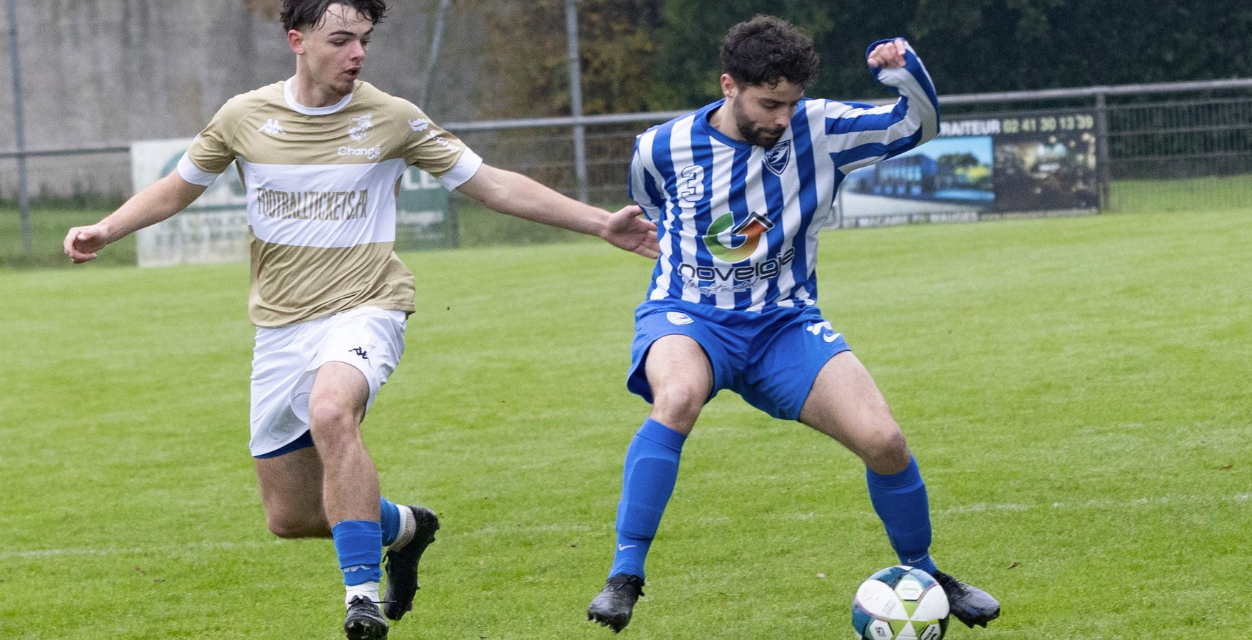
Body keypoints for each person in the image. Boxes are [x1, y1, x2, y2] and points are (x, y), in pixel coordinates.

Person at [63, 2, 658, 639]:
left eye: (364, 41)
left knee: (331, 412)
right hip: (281, 326)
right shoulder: (243, 116)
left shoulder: (393, 118)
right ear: (297, 41)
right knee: (290, 516)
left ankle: (361, 599)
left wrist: (600, 222)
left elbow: (492, 185)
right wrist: (107, 228)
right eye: (341, 40)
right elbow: (178, 186)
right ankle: (405, 528)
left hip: (367, 305)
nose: (357, 54)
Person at [585, 15, 1000, 633]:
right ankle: (624, 577)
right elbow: (652, 205)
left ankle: (924, 573)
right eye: (768, 103)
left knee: (885, 441)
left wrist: (902, 71)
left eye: (791, 103)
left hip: (784, 323)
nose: (782, 117)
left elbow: (915, 126)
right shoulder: (660, 146)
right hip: (687, 316)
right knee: (677, 397)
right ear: (729, 86)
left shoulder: (819, 130)